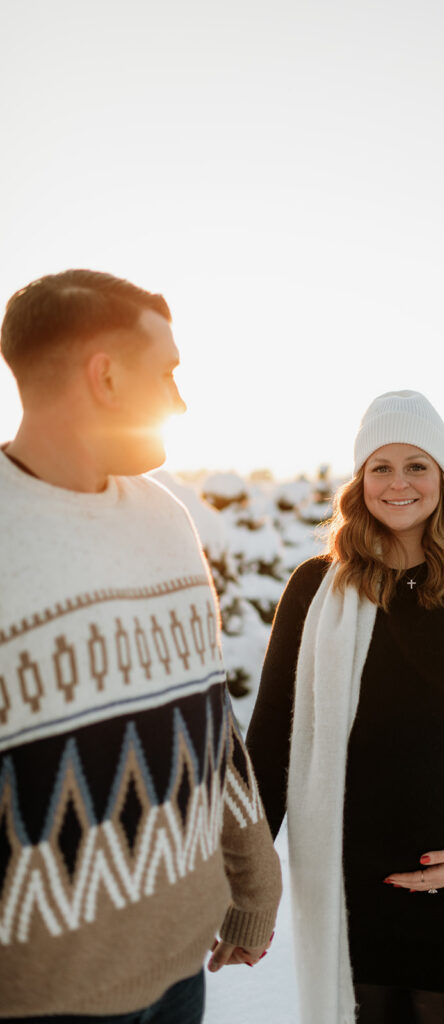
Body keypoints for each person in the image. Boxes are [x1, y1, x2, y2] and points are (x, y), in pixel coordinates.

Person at [0, 270, 281, 1022]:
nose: (182, 401)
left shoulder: (166, 519)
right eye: (169, 374)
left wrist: (254, 884)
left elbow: (209, 715)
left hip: (181, 970)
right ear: (107, 375)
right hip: (40, 1001)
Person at [246, 390, 444, 1024]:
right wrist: (249, 880)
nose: (399, 483)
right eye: (381, 466)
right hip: (347, 885)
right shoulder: (315, 586)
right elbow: (271, 738)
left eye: (417, 465)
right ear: (359, 480)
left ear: (442, 478)